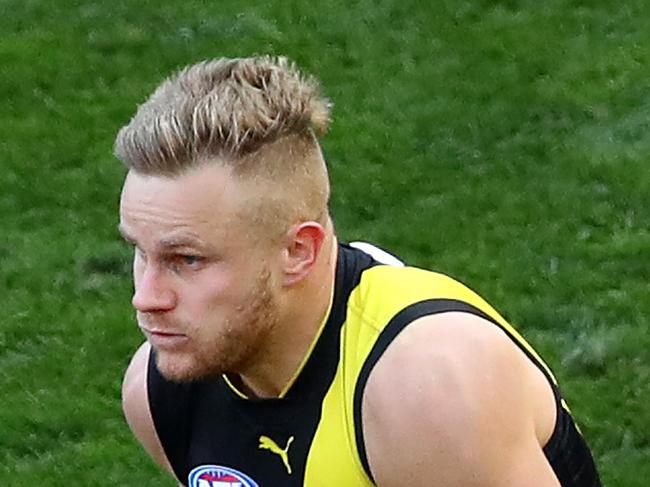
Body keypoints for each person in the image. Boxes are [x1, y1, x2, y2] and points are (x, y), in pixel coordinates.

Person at [115, 56, 601, 487]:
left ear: (298, 252)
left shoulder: (425, 390)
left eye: (187, 261)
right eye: (141, 252)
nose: (147, 297)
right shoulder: (159, 393)